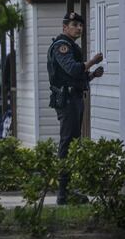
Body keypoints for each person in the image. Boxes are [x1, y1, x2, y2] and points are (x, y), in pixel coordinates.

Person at [47, 12, 104, 205]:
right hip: (67, 101)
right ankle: (63, 193)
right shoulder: (61, 47)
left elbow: (75, 77)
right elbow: (72, 69)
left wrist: (92, 75)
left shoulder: (72, 47)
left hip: (75, 98)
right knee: (67, 144)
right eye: (74, 24)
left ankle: (70, 190)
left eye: (80, 25)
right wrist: (92, 62)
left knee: (72, 144)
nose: (78, 28)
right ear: (65, 27)